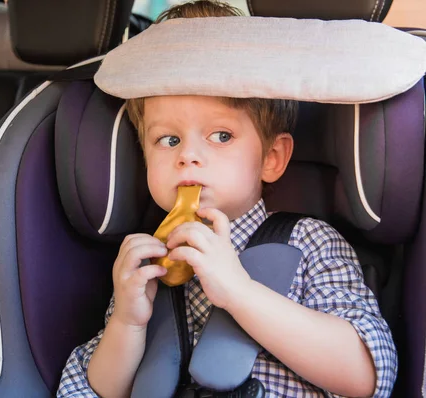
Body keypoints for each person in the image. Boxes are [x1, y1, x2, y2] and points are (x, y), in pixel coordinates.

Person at [57, 1, 397, 397]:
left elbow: (368, 375)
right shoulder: (146, 263)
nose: (188, 155)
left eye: (221, 135)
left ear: (272, 158)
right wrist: (127, 324)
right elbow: (97, 390)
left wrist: (238, 291)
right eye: (169, 140)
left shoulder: (309, 242)